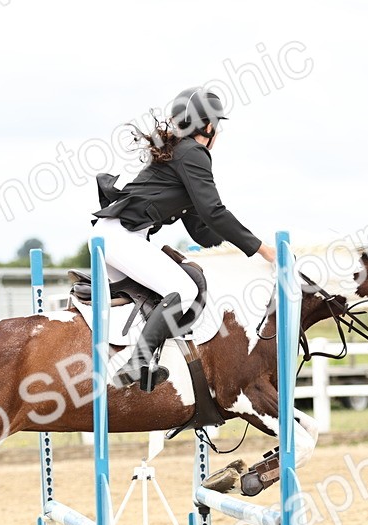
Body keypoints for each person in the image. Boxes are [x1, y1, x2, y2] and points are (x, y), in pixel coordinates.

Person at [92, 86, 277, 391]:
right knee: (184, 290)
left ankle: (134, 366)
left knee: (150, 304)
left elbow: (202, 230)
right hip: (119, 237)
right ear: (208, 126)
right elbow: (215, 212)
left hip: (116, 236)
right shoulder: (193, 153)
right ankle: (138, 363)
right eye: (217, 125)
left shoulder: (180, 153)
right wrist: (263, 249)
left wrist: (234, 251)